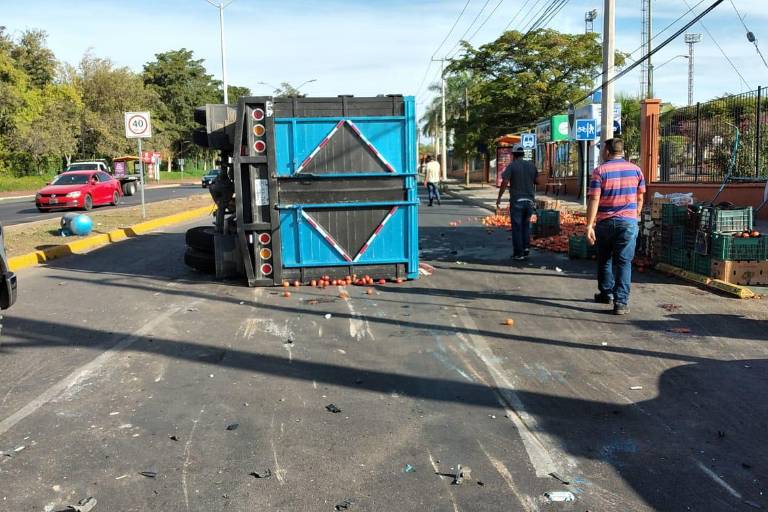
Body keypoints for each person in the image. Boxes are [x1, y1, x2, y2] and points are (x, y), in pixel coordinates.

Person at [586, 138, 645, 315]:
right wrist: (635, 215)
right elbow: (640, 197)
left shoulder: (600, 171)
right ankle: (621, 303)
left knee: (605, 259)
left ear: (607, 151)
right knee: (624, 262)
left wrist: (589, 225)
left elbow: (594, 199)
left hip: (605, 223)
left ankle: (606, 293)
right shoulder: (636, 170)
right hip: (628, 223)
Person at [495, 144, 539, 260]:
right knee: (526, 226)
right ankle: (526, 248)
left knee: (517, 227)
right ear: (523, 154)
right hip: (529, 201)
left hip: (517, 201)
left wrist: (499, 197)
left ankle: (518, 253)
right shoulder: (531, 166)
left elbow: (505, 182)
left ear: (513, 155)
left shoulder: (512, 166)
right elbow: (537, 181)